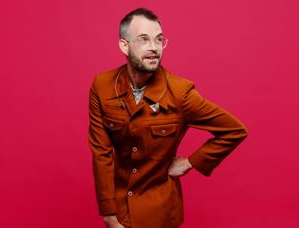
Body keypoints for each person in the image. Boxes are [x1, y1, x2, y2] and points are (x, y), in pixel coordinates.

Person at [88, 8, 249, 228]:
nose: (154, 47)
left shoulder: (180, 92)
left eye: (159, 39)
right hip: (118, 209)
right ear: (124, 45)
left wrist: (191, 162)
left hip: (160, 213)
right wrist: (108, 213)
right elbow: (101, 152)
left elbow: (235, 130)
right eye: (144, 39)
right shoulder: (102, 86)